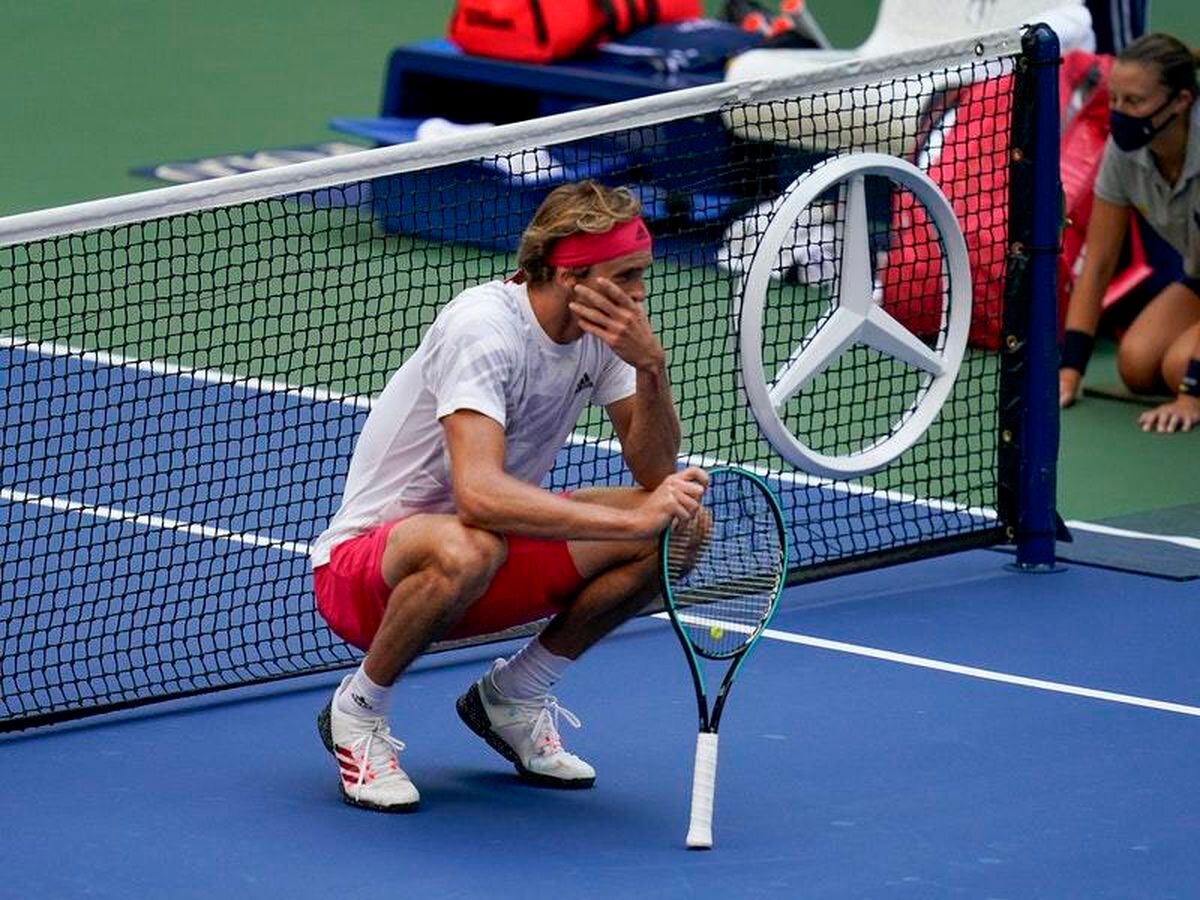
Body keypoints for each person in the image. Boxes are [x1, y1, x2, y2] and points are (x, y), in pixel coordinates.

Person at [308, 180, 708, 812]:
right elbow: (481, 498)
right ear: (572, 276)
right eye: (625, 275)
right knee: (470, 544)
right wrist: (617, 520)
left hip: (486, 559)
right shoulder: (484, 328)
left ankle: (513, 697)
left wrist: (651, 368)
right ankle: (357, 712)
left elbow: (655, 470)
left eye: (642, 275)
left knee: (679, 526)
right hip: (366, 578)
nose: (639, 294)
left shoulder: (604, 337)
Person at [1059, 33, 1200, 433]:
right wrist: (1070, 371)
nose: (1119, 112)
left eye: (1134, 102)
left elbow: (1188, 384)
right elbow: (1099, 261)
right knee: (1136, 365)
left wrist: (1192, 394)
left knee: (1178, 368)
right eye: (1115, 99)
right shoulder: (1122, 153)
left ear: (1181, 101)